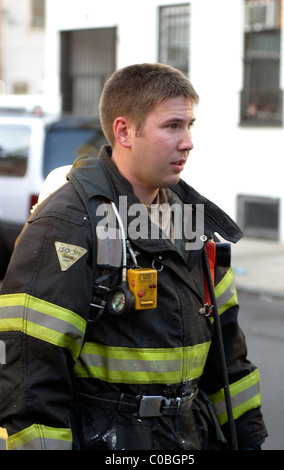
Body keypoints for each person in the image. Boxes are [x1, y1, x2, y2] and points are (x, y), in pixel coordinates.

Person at [0, 63, 267, 450]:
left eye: (190, 125)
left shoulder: (192, 223)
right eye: (172, 126)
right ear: (125, 131)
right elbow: (29, 376)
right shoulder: (67, 225)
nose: (188, 141)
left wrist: (250, 440)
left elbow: (229, 360)